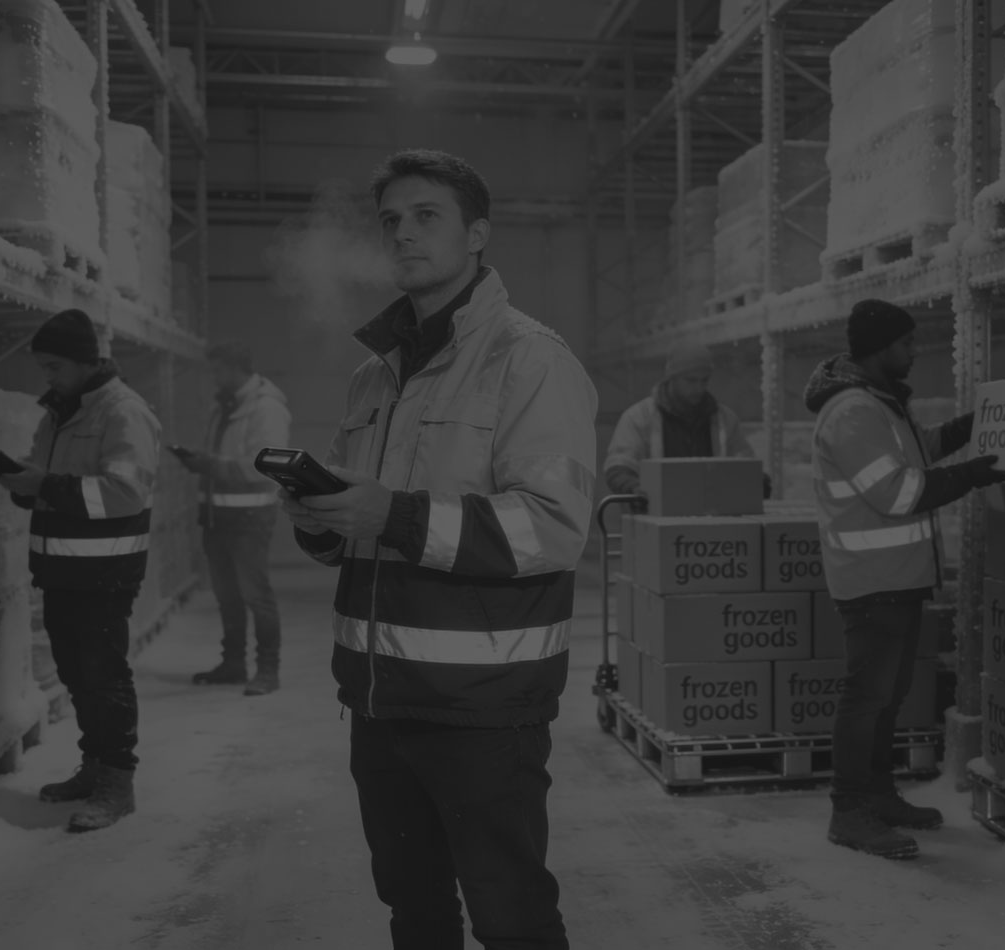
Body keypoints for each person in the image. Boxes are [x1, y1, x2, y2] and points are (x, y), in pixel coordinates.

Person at [282, 148, 596, 950]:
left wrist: (393, 514)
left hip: (481, 708)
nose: (403, 234)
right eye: (390, 220)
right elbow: (356, 539)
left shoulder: (530, 361)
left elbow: (552, 528)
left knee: (512, 917)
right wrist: (320, 515)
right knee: (413, 911)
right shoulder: (372, 379)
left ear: (478, 234)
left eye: (427, 217)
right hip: (379, 701)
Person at [804, 298, 1004, 859]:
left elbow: (918, 452)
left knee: (886, 697)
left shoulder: (881, 405)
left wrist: (968, 430)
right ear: (880, 347)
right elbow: (899, 493)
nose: (916, 350)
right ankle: (849, 811)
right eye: (908, 342)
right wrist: (971, 476)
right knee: (866, 698)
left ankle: (878, 794)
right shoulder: (853, 412)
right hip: (872, 582)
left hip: (897, 578)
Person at [0, 308, 160, 833]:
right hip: (61, 572)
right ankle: (94, 766)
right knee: (75, 675)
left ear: (87, 361)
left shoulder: (122, 412)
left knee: (103, 677)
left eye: (54, 366)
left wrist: (43, 485)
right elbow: (54, 487)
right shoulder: (57, 414)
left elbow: (125, 492)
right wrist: (23, 483)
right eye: (43, 367)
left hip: (104, 574)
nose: (48, 377)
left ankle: (118, 782)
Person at [176, 341, 292, 695]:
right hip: (217, 516)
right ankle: (234, 664)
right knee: (227, 595)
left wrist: (209, 464)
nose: (214, 377)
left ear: (236, 368)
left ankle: (268, 671)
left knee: (256, 594)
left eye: (218, 370)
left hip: (250, 518)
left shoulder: (266, 408)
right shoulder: (224, 406)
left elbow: (265, 465)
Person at [603, 340, 769, 501]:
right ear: (672, 378)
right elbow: (619, 467)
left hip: (712, 520)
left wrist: (758, 480)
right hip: (656, 517)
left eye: (704, 380)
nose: (699, 388)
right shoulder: (639, 417)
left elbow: (745, 464)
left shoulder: (725, 419)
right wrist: (634, 488)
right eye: (691, 380)